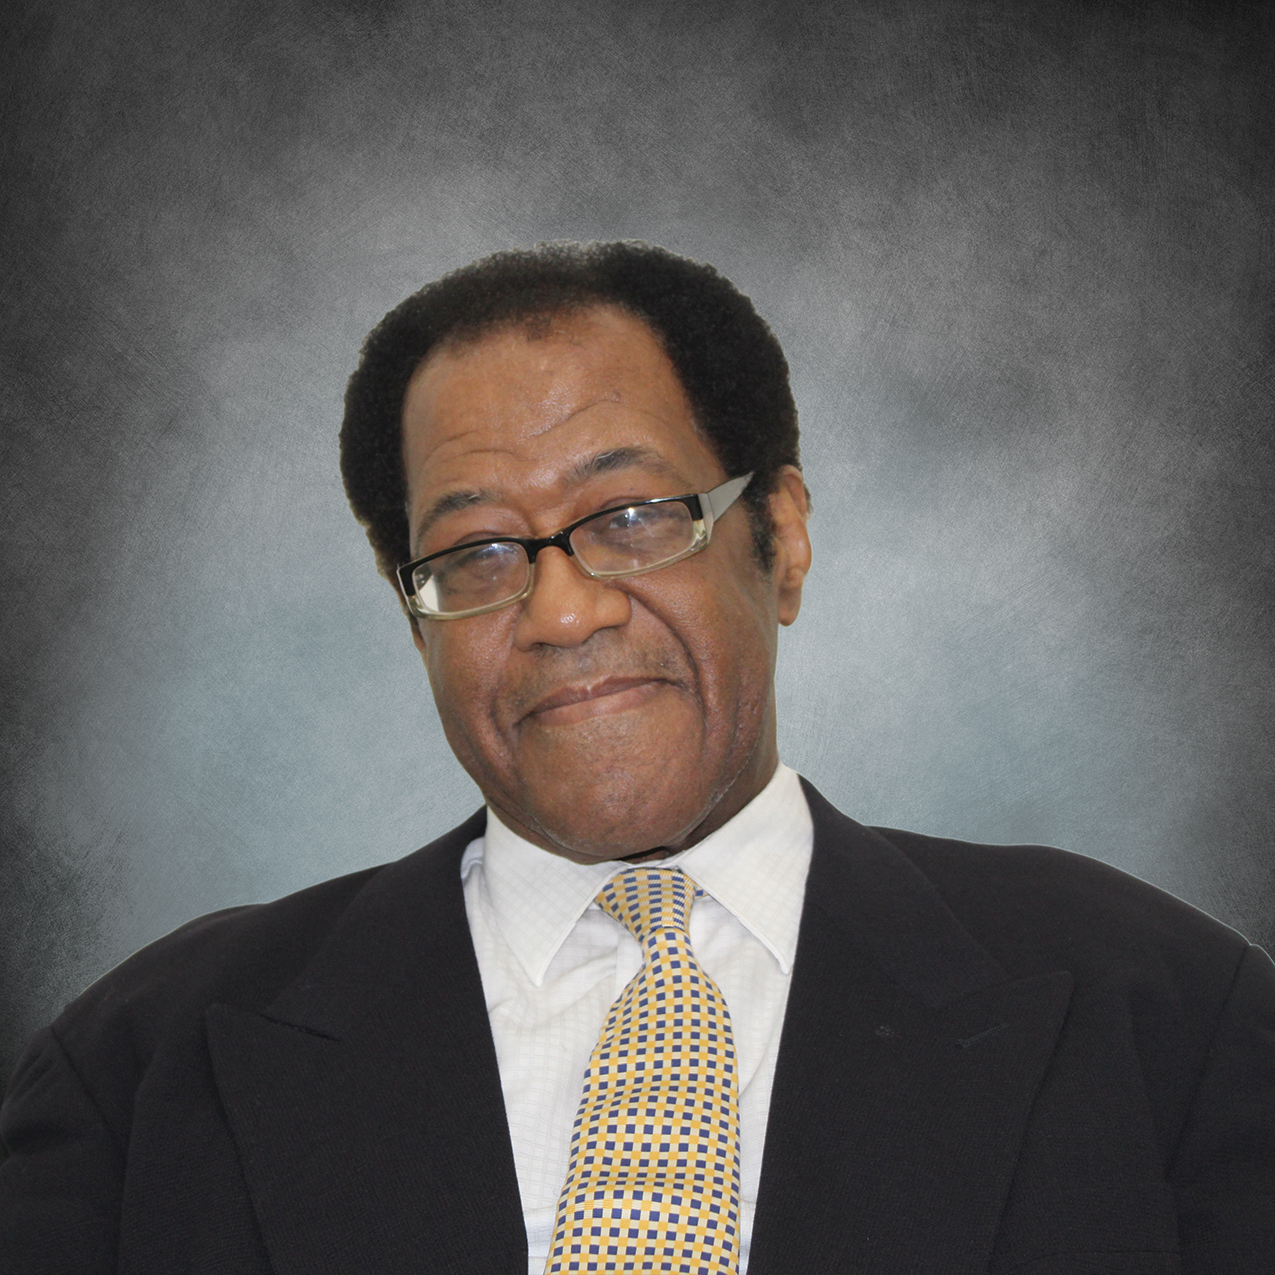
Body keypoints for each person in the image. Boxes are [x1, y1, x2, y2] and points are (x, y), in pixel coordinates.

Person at [1, 241, 1272, 1274]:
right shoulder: (138, 1075)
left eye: (630, 517)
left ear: (781, 537)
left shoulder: (1173, 1022)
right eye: (477, 553)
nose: (562, 613)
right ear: (413, 613)